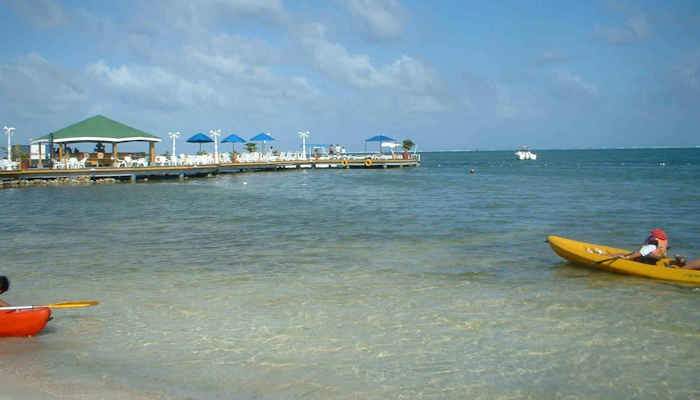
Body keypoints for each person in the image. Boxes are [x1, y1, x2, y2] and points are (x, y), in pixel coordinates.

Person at [609, 229, 700, 269]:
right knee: (632, 253)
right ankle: (681, 261)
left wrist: (627, 258)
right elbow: (664, 255)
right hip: (653, 260)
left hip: (645, 259)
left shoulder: (652, 246)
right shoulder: (663, 246)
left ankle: (606, 255)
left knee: (627, 254)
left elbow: (640, 253)